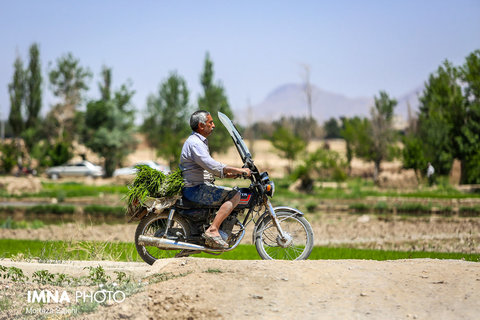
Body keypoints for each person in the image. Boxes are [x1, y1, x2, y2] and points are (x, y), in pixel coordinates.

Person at [180, 110, 251, 249]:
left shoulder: (199, 142)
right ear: (201, 126)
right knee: (235, 195)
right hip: (195, 189)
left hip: (198, 186)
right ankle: (213, 230)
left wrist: (232, 174)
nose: (213, 125)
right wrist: (239, 170)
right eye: (210, 122)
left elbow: (210, 169)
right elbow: (211, 165)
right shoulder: (195, 143)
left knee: (230, 192)